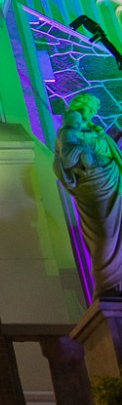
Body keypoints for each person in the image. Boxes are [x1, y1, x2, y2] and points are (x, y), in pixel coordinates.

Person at [53, 93, 122, 296]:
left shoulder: (94, 132)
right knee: (105, 234)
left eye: (94, 110)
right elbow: (67, 159)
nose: (92, 113)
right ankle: (108, 282)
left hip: (113, 183)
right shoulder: (67, 133)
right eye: (89, 108)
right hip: (93, 188)